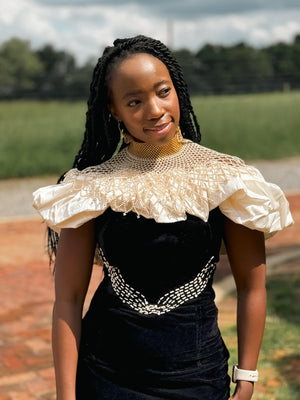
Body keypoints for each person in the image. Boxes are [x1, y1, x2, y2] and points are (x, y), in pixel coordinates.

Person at [33, 35, 293, 400]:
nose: (154, 110)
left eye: (162, 91)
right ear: (114, 109)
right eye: (134, 101)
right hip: (105, 373)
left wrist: (246, 379)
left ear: (177, 91)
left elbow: (252, 287)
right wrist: (66, 396)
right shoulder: (90, 188)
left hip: (197, 376)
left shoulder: (226, 179)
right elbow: (69, 299)